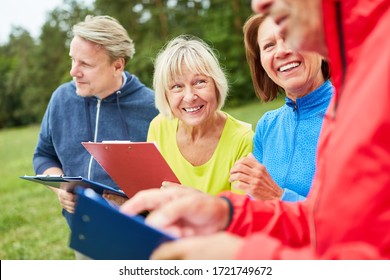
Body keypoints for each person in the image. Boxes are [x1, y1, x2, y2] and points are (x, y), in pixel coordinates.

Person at [120, 0, 390, 259]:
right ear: (261, 62)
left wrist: (271, 205)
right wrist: (226, 212)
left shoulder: (368, 94)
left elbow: (361, 249)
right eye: (269, 45)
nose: (258, 4)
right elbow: (319, 222)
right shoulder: (268, 126)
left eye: (286, 35)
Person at [32, 15, 158, 256]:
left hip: (141, 237)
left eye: (85, 64)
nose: (73, 71)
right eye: (73, 60)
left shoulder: (152, 107)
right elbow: (43, 154)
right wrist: (60, 188)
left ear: (118, 65)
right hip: (86, 235)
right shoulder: (61, 99)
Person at [229, 14, 333, 201]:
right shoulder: (267, 126)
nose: (281, 51)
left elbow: (358, 219)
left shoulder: (352, 115)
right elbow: (254, 207)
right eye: (269, 46)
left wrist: (278, 197)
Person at [147, 35, 254, 194]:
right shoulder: (159, 127)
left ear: (216, 85)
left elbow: (242, 214)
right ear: (165, 95)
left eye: (199, 82)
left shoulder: (243, 139)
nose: (190, 97)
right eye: (177, 86)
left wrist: (189, 199)